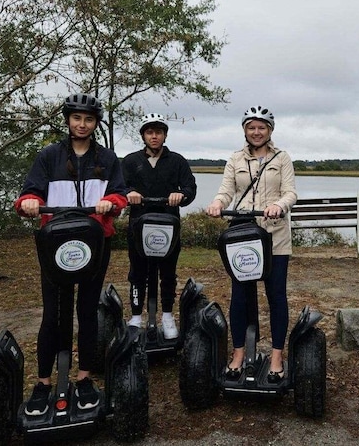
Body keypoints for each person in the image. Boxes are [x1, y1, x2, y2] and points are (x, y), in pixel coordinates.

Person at [14, 93, 128, 416]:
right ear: (67, 120)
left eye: (88, 119)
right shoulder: (49, 156)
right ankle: (44, 382)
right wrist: (29, 203)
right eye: (76, 118)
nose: (82, 124)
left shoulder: (107, 159)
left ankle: (84, 378)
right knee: (54, 313)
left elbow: (120, 194)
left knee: (88, 310)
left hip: (94, 243)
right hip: (56, 244)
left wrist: (112, 204)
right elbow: (28, 194)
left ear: (95, 124)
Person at [205, 105, 297, 382]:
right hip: (243, 235)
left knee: (276, 295)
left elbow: (290, 192)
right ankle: (239, 352)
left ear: (270, 130)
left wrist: (278, 205)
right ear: (244, 130)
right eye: (251, 127)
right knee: (241, 295)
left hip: (275, 236)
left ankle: (277, 355)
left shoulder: (282, 158)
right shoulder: (235, 159)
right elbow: (226, 190)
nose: (256, 132)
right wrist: (218, 203)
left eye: (262, 127)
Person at [122, 113, 197, 339]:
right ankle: (136, 316)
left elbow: (190, 188)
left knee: (167, 272)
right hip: (138, 224)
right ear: (144, 135)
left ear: (165, 135)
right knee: (137, 272)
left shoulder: (177, 161)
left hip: (168, 226)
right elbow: (118, 187)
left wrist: (180, 195)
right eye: (150, 132)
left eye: (158, 132)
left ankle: (166, 315)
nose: (154, 137)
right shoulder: (130, 161)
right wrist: (129, 193)